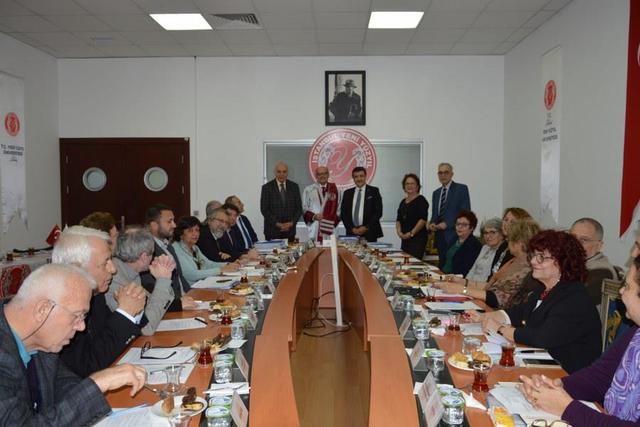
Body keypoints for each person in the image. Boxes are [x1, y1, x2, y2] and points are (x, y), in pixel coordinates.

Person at [0, 264, 147, 425]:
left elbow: (65, 385)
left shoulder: (40, 342)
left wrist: (97, 386)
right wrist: (98, 384)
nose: (81, 326)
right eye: (77, 316)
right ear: (43, 310)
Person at [519, 255, 640, 426]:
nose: (620, 291)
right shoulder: (635, 332)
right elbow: (600, 376)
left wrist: (566, 408)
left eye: (627, 286)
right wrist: (555, 386)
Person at [470, 230, 602, 373]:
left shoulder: (574, 299)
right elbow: (520, 313)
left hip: (566, 374)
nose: (533, 261)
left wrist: (501, 329)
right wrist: (486, 317)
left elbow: (542, 337)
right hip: (542, 364)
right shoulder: (545, 289)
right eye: (533, 255)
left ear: (562, 262)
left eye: (541, 257)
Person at [54, 226, 146, 378]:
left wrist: (132, 310)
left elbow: (107, 341)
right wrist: (125, 314)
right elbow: (88, 367)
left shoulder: (96, 294)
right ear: (78, 268)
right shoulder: (61, 308)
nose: (113, 269)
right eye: (106, 262)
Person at [437, 218, 540, 310]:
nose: (507, 241)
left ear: (519, 242)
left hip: (498, 313)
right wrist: (462, 282)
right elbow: (491, 286)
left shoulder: (527, 267)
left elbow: (499, 299)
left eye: (509, 238)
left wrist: (463, 290)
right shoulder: (513, 260)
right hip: (486, 306)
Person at [106, 227, 177, 336]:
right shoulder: (114, 281)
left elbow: (153, 306)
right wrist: (163, 281)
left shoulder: (130, 271)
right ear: (144, 257)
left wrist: (165, 277)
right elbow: (145, 329)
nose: (153, 257)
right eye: (152, 253)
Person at [140, 204, 197, 311]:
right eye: (169, 221)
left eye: (173, 220)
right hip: (170, 308)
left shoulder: (167, 245)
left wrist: (191, 294)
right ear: (154, 225)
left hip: (184, 300)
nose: (174, 225)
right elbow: (151, 288)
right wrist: (178, 304)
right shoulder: (147, 250)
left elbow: (179, 276)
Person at [173, 216, 239, 285]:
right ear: (180, 234)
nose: (195, 234)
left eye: (197, 230)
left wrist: (228, 264)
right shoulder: (176, 249)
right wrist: (220, 270)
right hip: (189, 289)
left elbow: (208, 264)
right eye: (190, 231)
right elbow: (191, 274)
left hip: (201, 285)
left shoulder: (195, 247)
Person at [428, 163, 471, 268]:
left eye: (446, 172)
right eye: (440, 173)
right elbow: (435, 214)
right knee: (442, 265)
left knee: (454, 266)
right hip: (440, 236)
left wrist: (448, 224)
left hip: (455, 234)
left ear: (452, 174)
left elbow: (466, 213)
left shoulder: (461, 189)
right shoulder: (436, 193)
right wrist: (432, 223)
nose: (443, 175)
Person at [570, 217, 618, 306]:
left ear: (599, 245)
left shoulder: (603, 272)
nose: (575, 244)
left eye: (584, 240)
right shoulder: (570, 262)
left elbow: (574, 302)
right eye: (572, 238)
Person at [260, 161, 302, 242]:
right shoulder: (266, 188)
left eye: (284, 172)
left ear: (287, 173)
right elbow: (264, 209)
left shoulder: (294, 187)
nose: (281, 174)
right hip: (272, 231)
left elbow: (299, 209)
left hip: (290, 231)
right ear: (275, 172)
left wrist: (291, 223)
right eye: (279, 172)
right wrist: (277, 224)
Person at [340, 166, 383, 242]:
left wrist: (366, 227)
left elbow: (378, 212)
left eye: (361, 176)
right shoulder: (347, 193)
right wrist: (351, 228)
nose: (359, 179)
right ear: (353, 178)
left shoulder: (374, 191)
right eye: (356, 177)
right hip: (352, 233)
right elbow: (343, 213)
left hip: (370, 232)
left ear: (365, 176)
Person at [489, 207, 532, 279]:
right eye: (506, 220)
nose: (507, 224)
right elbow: (492, 277)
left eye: (512, 222)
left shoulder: (519, 250)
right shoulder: (503, 245)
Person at [303, 166, 341, 242]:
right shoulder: (308, 190)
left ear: (328, 175)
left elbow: (339, 209)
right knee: (315, 249)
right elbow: (304, 209)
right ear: (316, 176)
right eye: (319, 174)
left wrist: (329, 222)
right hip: (315, 229)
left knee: (330, 249)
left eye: (324, 173)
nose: (322, 176)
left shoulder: (336, 190)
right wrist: (314, 216)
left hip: (330, 229)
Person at [395, 173, 429, 259]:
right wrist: (399, 233)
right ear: (404, 187)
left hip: (417, 240)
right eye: (407, 183)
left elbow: (422, 220)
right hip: (405, 239)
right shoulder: (403, 202)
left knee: (413, 263)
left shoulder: (421, 200)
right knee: (405, 262)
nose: (409, 186)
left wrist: (411, 233)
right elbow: (398, 220)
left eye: (412, 183)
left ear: (417, 186)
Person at [440, 210, 482, 276]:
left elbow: (466, 269)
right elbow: (444, 260)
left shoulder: (474, 245)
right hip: (442, 274)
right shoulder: (454, 239)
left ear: (472, 228)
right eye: (458, 224)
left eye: (464, 225)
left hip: (456, 278)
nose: (460, 227)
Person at [466, 217, 505, 282]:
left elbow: (489, 278)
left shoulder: (503, 252)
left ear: (502, 234)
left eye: (492, 232)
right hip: (470, 284)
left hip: (483, 285)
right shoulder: (485, 248)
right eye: (486, 233)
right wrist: (465, 283)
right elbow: (472, 270)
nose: (488, 236)